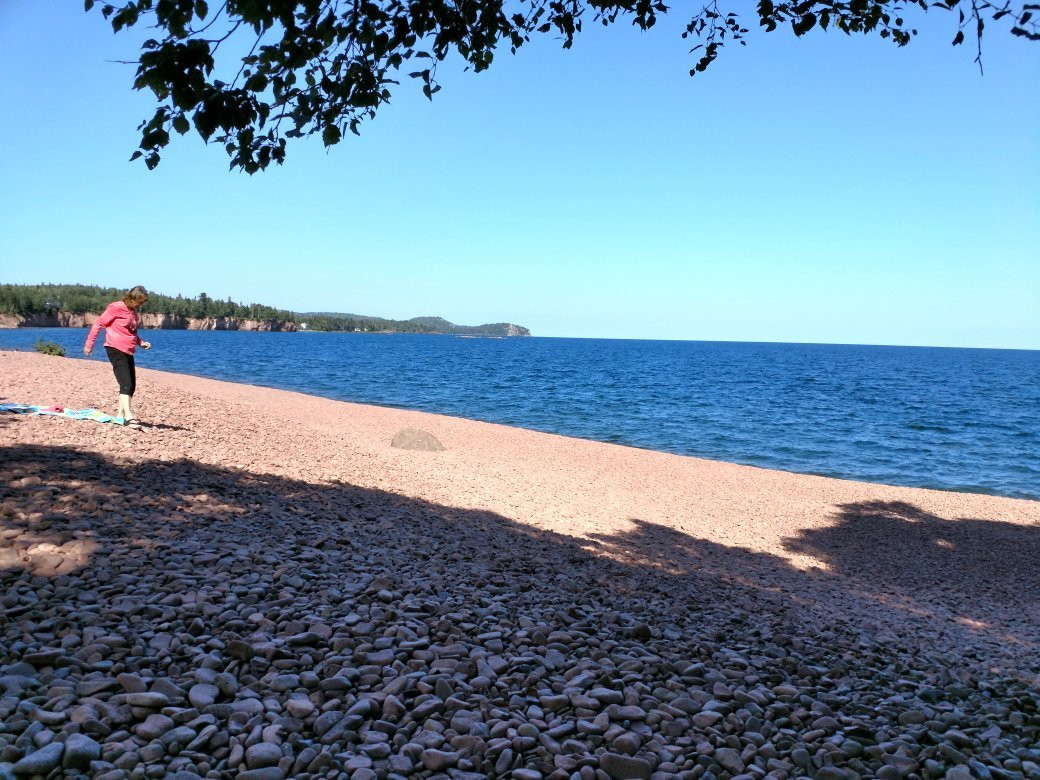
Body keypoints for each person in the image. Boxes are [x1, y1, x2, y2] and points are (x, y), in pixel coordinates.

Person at [84, 286, 152, 427]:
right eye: (140, 301)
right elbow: (98, 323)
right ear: (132, 298)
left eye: (142, 302)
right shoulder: (116, 307)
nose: (141, 305)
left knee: (131, 386)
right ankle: (128, 417)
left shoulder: (133, 312)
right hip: (115, 348)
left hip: (128, 350)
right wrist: (89, 344)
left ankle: (120, 416)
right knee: (125, 383)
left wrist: (141, 343)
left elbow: (130, 332)